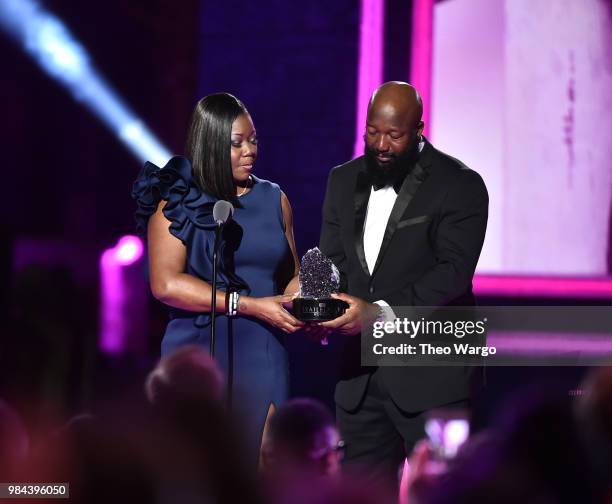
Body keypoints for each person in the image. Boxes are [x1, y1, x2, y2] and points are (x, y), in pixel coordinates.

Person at [317, 81, 488, 485]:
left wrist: (378, 315)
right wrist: (318, 304)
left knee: (446, 492)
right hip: (360, 378)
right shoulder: (342, 180)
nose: (381, 144)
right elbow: (332, 262)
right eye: (372, 132)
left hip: (433, 377)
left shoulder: (460, 184)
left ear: (419, 130)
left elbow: (452, 272)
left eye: (394, 135)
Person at [132, 92, 303, 464]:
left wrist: (308, 298)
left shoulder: (275, 199)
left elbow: (290, 276)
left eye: (253, 139)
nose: (250, 151)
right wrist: (249, 304)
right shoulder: (176, 201)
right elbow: (165, 284)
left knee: (266, 468)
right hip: (198, 351)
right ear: (209, 144)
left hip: (262, 350)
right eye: (237, 143)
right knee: (198, 472)